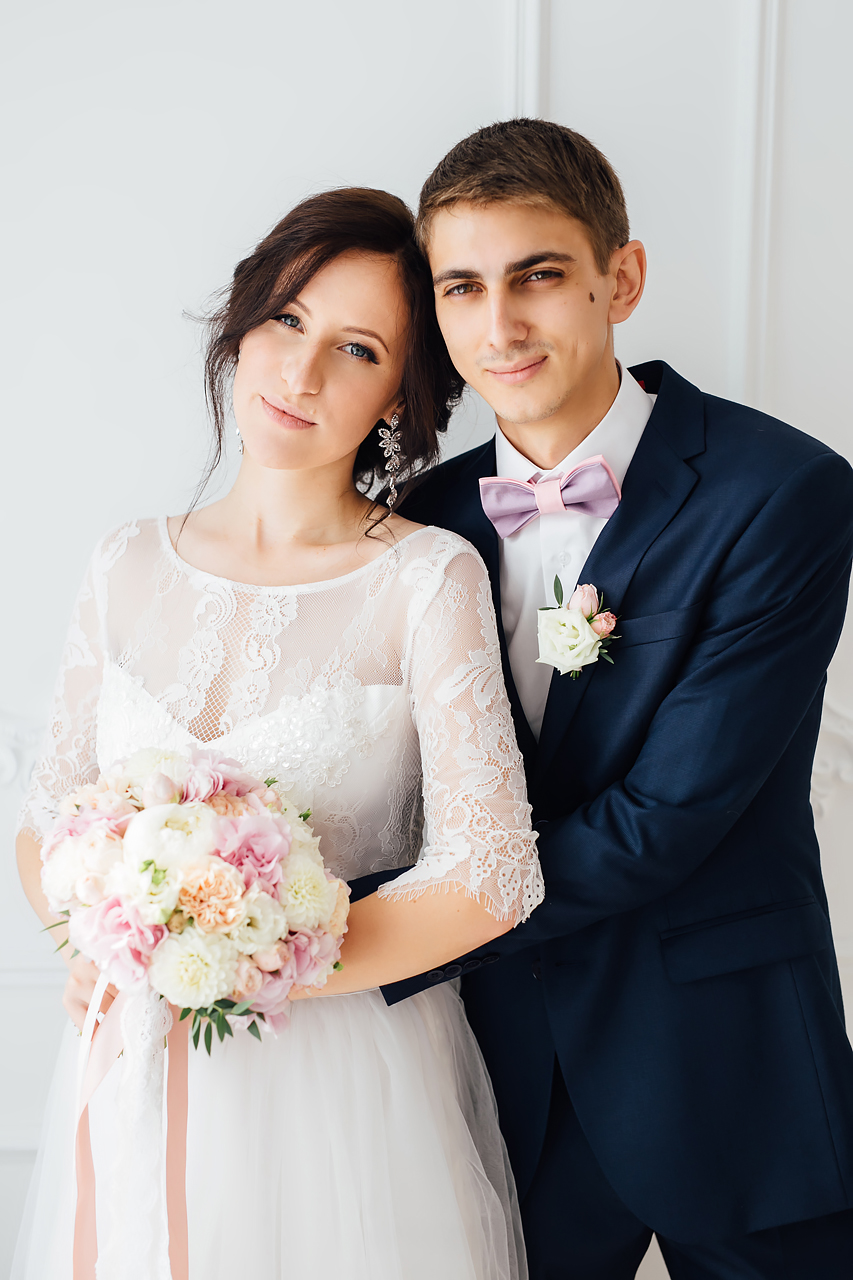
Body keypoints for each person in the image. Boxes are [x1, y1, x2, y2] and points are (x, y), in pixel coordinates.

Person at [13, 187, 544, 1279]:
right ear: (241, 324)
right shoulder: (123, 561)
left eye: (356, 349)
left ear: (399, 394)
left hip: (338, 1087)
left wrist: (241, 962)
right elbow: (47, 816)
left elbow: (491, 874)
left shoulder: (426, 578)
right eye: (287, 320)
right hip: (126, 1052)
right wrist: (108, 944)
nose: (299, 374)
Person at [360, 119, 853, 1277]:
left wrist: (360, 931)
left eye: (536, 276)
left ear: (618, 279)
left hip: (726, 1067)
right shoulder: (415, 525)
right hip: (499, 1073)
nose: (499, 326)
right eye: (462, 287)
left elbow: (666, 816)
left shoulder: (781, 491)